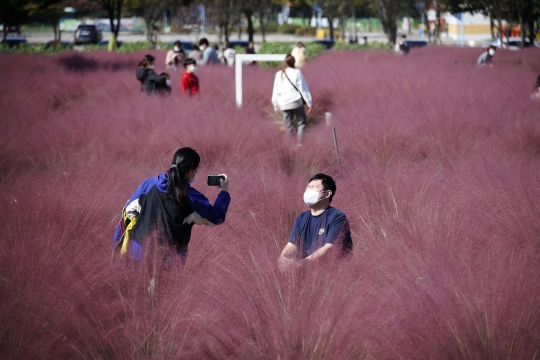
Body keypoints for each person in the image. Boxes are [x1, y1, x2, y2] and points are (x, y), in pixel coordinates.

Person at [112, 147, 230, 266]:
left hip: (138, 254)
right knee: (161, 285)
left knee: (135, 285)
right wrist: (224, 192)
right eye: (196, 169)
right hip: (169, 263)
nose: (196, 173)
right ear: (189, 171)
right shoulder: (192, 197)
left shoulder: (148, 184)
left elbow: (128, 211)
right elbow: (216, 218)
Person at [278, 173, 352, 271]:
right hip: (306, 272)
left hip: (330, 273)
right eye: (308, 187)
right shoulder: (302, 217)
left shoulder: (337, 217)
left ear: (327, 193)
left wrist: (301, 264)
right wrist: (283, 260)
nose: (309, 190)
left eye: (314, 187)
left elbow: (329, 249)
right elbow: (292, 245)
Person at [271, 54, 313, 144]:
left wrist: (276, 106)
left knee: (288, 126)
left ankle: (289, 145)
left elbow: (275, 91)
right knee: (302, 122)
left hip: (283, 104)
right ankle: (299, 144)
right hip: (296, 101)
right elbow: (303, 88)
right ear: (294, 62)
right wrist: (309, 103)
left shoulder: (279, 74)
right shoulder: (297, 72)